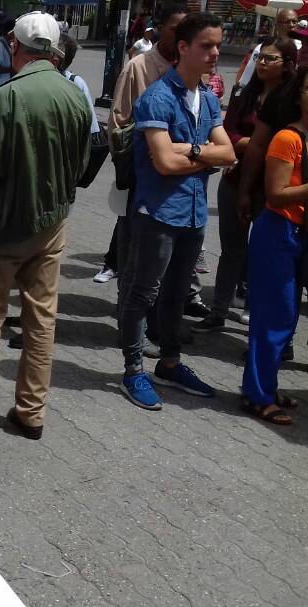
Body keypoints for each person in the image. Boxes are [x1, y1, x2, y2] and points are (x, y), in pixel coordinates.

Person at [0, 11, 91, 441]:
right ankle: (30, 412)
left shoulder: (7, 97)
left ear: (16, 46)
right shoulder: (75, 94)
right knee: (40, 320)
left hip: (2, 226)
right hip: (51, 223)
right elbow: (81, 165)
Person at [117, 13, 236, 412]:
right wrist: (206, 154)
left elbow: (230, 153)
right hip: (158, 213)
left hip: (194, 213)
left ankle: (169, 363)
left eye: (217, 45)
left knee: (175, 295)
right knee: (142, 293)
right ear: (183, 48)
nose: (215, 52)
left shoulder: (209, 98)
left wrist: (190, 149)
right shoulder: (157, 97)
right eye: (206, 45)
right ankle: (134, 369)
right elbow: (165, 164)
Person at [194, 38, 298, 335]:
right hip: (235, 180)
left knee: (262, 253)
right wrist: (257, 146)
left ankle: (254, 310)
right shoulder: (245, 93)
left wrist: (259, 149)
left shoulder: (289, 100)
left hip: (272, 186)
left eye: (271, 59)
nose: (263, 63)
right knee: (232, 248)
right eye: (261, 58)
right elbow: (227, 132)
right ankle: (218, 311)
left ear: (287, 64)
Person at [104, 4, 195, 329]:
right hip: (143, 179)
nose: (183, 35)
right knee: (134, 258)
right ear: (159, 29)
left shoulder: (192, 70)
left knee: (171, 263)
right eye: (176, 28)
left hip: (182, 183)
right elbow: (118, 122)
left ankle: (160, 325)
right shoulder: (139, 67)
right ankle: (131, 327)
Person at [240, 66, 308, 427]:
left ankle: (266, 386)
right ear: (299, 94)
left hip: (299, 235)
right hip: (277, 232)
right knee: (274, 317)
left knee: (289, 317)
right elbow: (276, 195)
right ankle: (257, 396)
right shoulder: (287, 138)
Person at [234, 9, 300, 92]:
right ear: (277, 25)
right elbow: (247, 79)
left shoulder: (303, 48)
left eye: (294, 22)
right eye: (287, 22)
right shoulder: (262, 48)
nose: (291, 25)